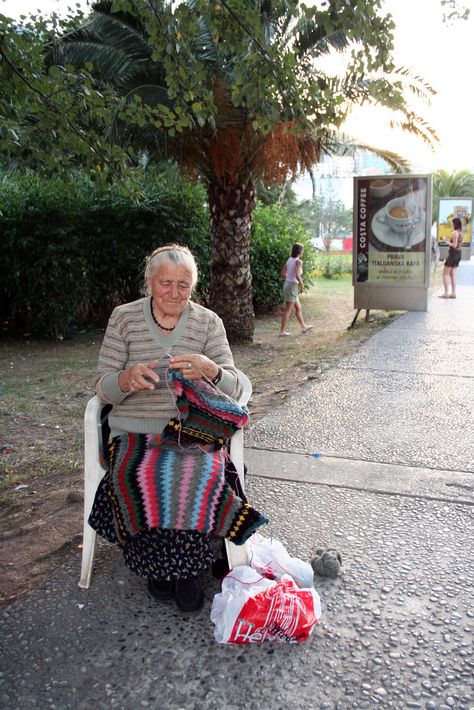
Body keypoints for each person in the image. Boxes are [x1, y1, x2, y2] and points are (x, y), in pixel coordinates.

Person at [89, 244, 245, 613]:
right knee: (140, 473)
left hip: (194, 431)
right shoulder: (124, 318)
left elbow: (236, 386)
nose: (174, 292)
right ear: (150, 282)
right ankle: (156, 568)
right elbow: (100, 384)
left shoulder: (209, 322)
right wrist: (125, 379)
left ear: (193, 286)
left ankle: (186, 570)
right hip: (133, 430)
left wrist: (211, 369)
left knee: (196, 469)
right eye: (166, 284)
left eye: (183, 285)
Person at [279, 242, 313, 336]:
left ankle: (303, 326)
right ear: (299, 251)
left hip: (288, 284)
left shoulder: (289, 260)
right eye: (302, 250)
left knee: (298, 307)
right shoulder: (298, 261)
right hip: (292, 286)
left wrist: (290, 278)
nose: (303, 252)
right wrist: (301, 284)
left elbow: (283, 273)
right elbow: (298, 275)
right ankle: (282, 332)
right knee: (288, 309)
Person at [440, 217, 463, 299]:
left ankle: (446, 293)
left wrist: (446, 241)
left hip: (453, 254)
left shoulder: (455, 233)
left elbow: (454, 245)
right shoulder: (460, 232)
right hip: (458, 254)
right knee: (452, 274)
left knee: (445, 274)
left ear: (454, 224)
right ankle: (453, 293)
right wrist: (448, 240)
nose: (450, 223)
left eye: (451, 222)